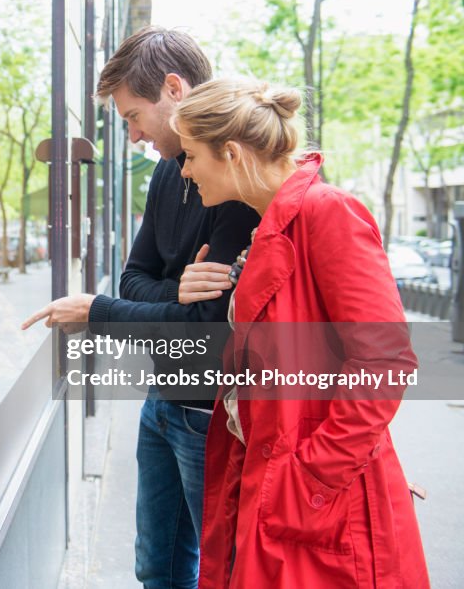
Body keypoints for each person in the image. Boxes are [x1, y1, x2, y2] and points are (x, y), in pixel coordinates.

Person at [22, 27, 260, 589]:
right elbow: (134, 279)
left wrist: (98, 310)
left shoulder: (236, 184)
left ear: (174, 89)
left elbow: (206, 330)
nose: (130, 135)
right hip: (162, 401)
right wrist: (173, 292)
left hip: (214, 417)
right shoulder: (164, 172)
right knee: (157, 568)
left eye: (132, 116)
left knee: (222, 574)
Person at [173, 79, 429, 588]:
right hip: (275, 485)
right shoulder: (272, 224)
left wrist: (308, 478)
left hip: (318, 503)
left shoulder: (327, 211)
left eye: (190, 155)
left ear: (229, 152)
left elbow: (385, 362)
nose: (185, 171)